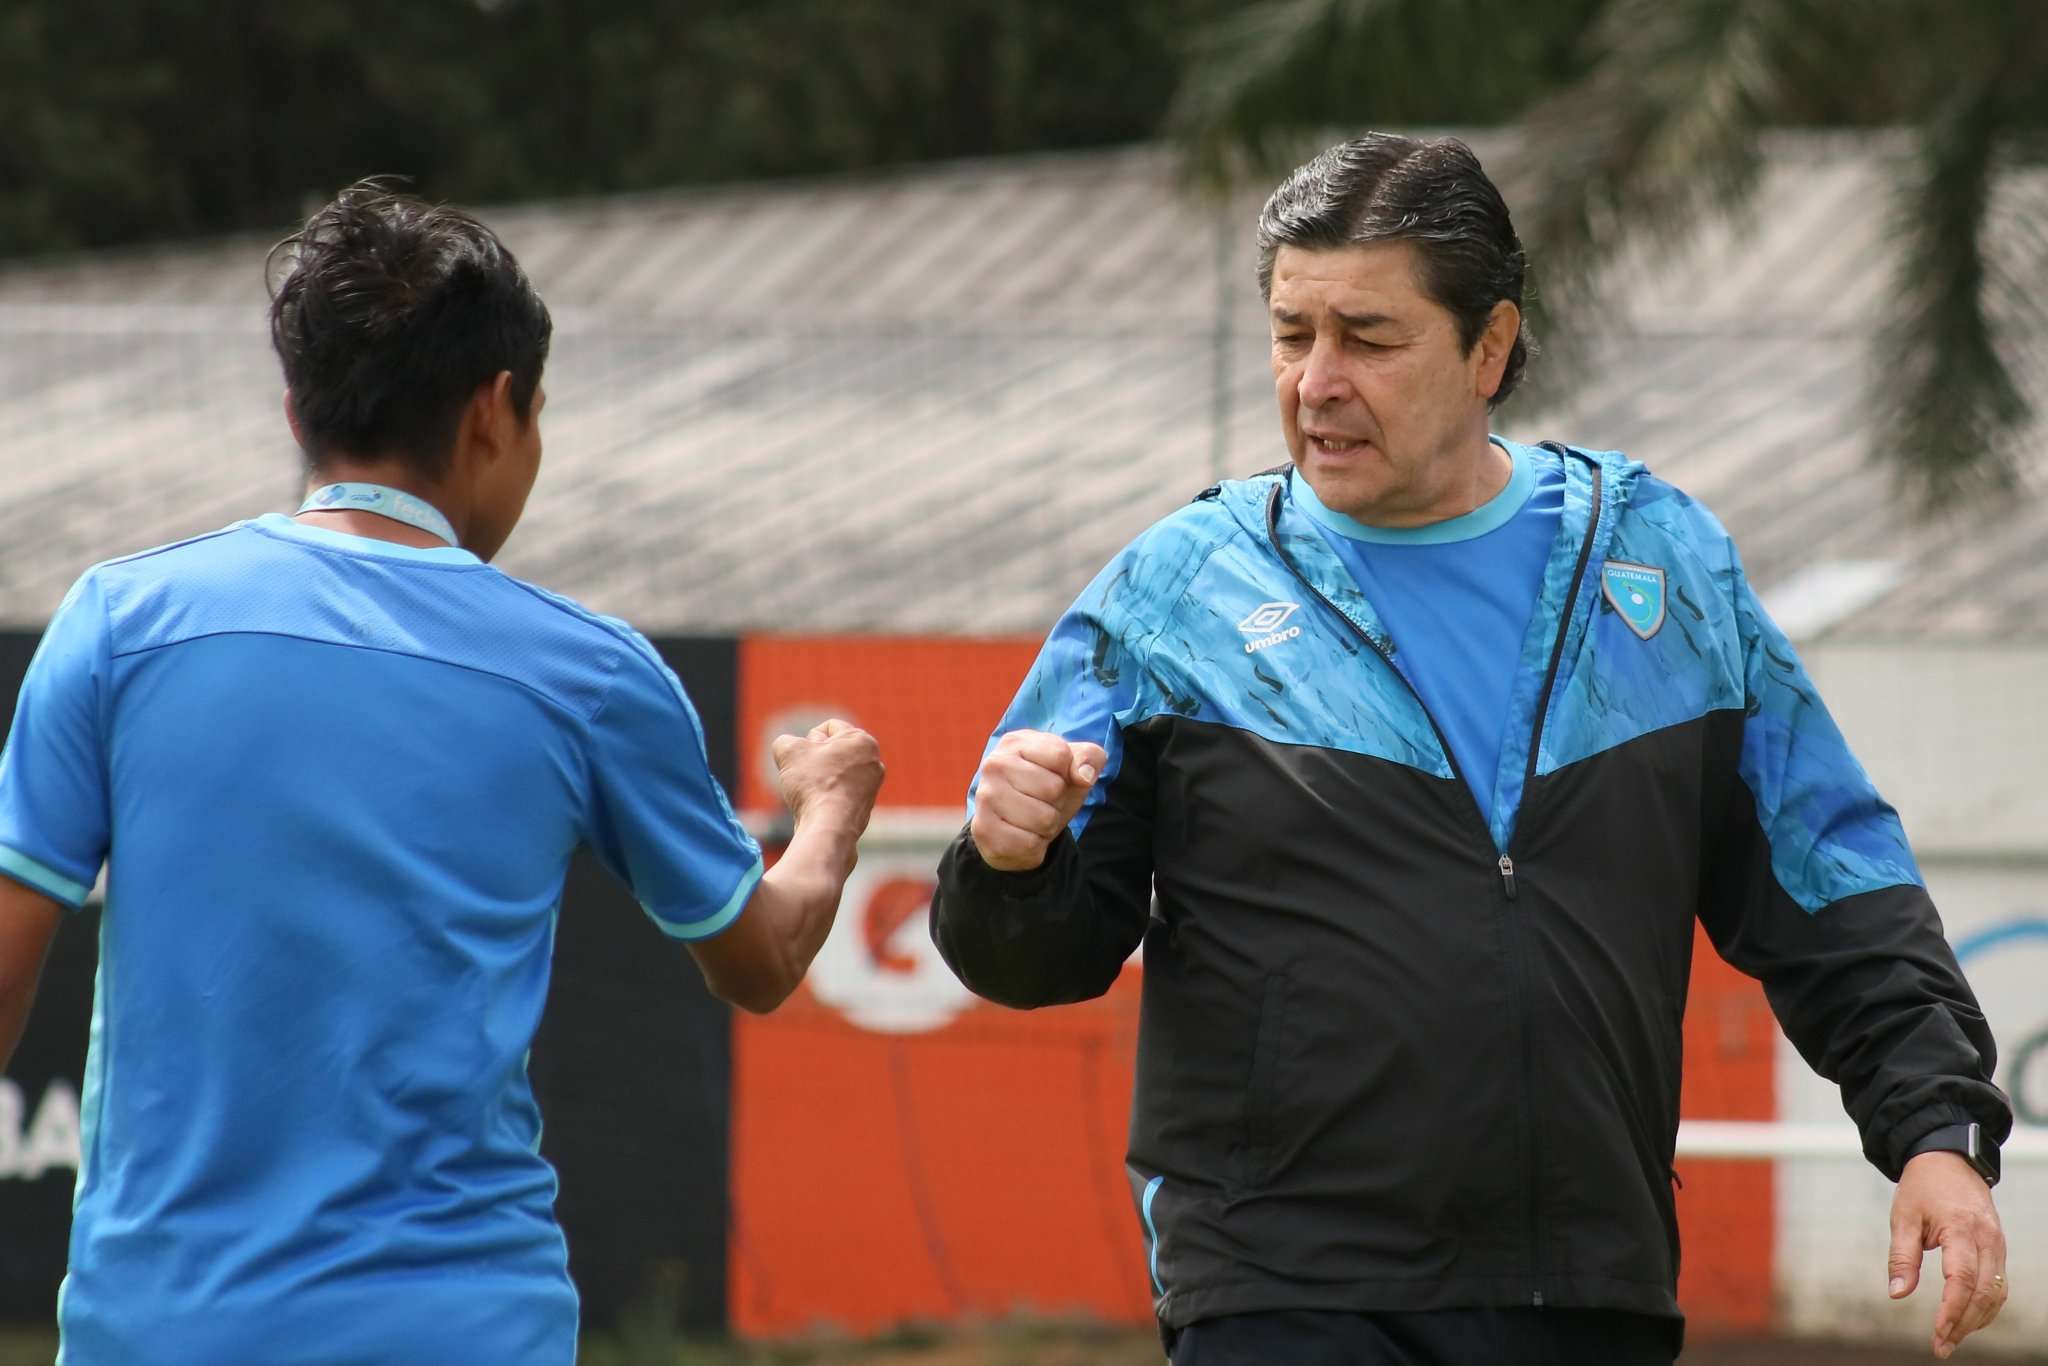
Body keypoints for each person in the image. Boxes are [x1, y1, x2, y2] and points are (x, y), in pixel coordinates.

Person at [930, 134, 2011, 1365]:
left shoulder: (1657, 567)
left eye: (1368, 338)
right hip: (1281, 1287)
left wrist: (1933, 1131)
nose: (1315, 381)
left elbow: (1830, 877)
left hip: (1585, 1287)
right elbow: (1036, 957)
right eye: (1293, 334)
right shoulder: (1178, 591)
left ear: (1488, 347)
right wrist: (1005, 861)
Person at [0, 181, 883, 1364]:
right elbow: (762, 958)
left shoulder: (119, 622)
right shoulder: (589, 673)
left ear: (295, 410)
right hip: (464, 1329)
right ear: (495, 409)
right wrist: (829, 806)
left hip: (161, 1329)